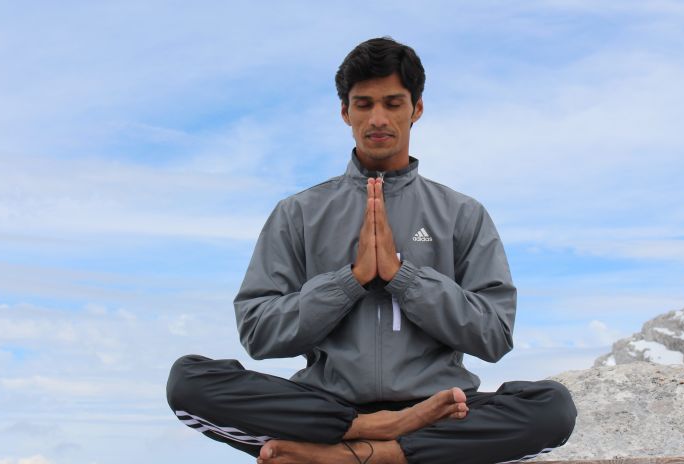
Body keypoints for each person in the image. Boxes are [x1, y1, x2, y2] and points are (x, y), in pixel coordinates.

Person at [166, 37, 577, 464]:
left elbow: (494, 335)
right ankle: (366, 434)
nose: (377, 118)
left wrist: (405, 278)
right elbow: (258, 332)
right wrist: (350, 280)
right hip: (325, 408)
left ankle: (357, 456)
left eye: (393, 103)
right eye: (363, 104)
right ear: (345, 111)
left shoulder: (462, 214)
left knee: (552, 407)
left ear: (416, 108)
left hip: (436, 411)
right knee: (189, 381)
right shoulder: (298, 213)